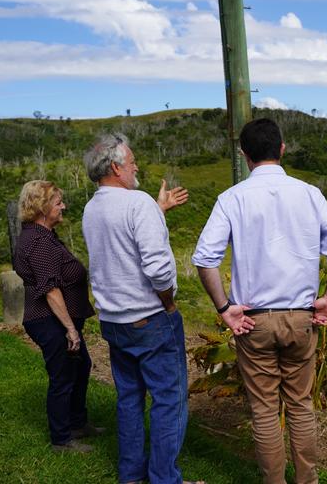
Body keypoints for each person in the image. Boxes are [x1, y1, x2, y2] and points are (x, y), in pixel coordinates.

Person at [192, 118, 327, 484]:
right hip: (301, 318)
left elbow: (205, 259)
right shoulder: (310, 193)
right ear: (282, 149)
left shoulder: (232, 198)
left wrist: (225, 310)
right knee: (300, 405)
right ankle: (307, 480)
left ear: (244, 155)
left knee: (265, 410)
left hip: (254, 320)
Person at [81, 133, 200, 484]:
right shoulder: (137, 203)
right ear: (116, 167)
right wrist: (169, 302)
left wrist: (157, 209)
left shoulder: (92, 208)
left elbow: (120, 246)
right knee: (169, 400)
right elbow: (157, 267)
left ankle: (131, 475)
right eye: (132, 162)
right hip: (150, 318)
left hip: (113, 320)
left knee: (129, 398)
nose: (137, 167)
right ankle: (165, 478)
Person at [14, 180, 102, 453]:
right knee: (63, 375)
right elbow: (50, 290)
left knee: (80, 366)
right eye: (57, 202)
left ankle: (77, 422)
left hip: (59, 319)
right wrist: (70, 330)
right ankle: (61, 439)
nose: (63, 206)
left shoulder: (45, 236)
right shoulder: (38, 242)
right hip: (48, 319)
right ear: (42, 207)